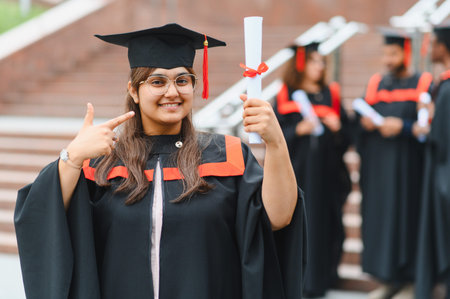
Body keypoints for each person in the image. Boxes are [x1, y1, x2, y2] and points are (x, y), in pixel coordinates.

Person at [14, 23, 306, 299]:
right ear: (134, 90)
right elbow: (41, 216)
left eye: (182, 80)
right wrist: (74, 156)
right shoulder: (102, 161)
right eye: (157, 81)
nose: (172, 92)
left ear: (194, 86)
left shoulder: (226, 154)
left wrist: (276, 142)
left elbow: (278, 218)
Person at [355, 27, 433, 299]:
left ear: (406, 53)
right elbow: (361, 121)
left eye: (394, 53)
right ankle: (387, 280)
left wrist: (403, 126)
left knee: (409, 220)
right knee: (381, 221)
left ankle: (411, 281)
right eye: (385, 53)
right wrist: (364, 123)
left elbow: (429, 127)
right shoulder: (377, 82)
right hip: (380, 170)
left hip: (411, 169)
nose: (388, 59)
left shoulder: (423, 83)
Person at [273, 42, 351, 298]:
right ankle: (300, 281)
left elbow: (348, 137)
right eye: (314, 61)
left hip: (327, 177)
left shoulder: (331, 95)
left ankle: (325, 278)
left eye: (322, 62)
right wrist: (298, 131)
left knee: (327, 226)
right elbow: (273, 136)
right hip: (299, 175)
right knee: (301, 227)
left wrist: (339, 128)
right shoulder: (285, 96)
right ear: (300, 64)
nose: (320, 66)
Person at [415, 24, 450, 299]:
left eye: (434, 43)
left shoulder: (447, 87)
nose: (430, 48)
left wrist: (427, 126)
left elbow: (439, 137)